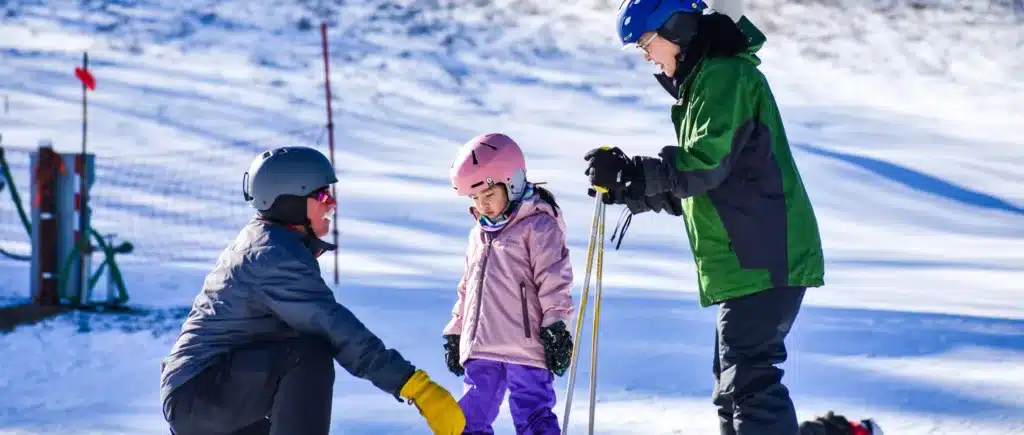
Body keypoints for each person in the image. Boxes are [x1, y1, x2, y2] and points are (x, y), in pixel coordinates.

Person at [582, 2, 884, 435]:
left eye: (647, 43)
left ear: (677, 28)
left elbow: (704, 164)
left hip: (762, 256)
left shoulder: (725, 77)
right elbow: (702, 188)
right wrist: (633, 188)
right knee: (735, 388)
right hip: (746, 261)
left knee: (748, 385)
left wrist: (637, 171)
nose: (646, 56)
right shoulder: (705, 83)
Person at [158, 146, 466, 435]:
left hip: (210, 392)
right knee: (309, 354)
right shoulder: (272, 256)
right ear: (288, 202)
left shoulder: (273, 243)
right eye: (321, 194)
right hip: (200, 392)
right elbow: (333, 326)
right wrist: (415, 386)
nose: (332, 203)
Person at [442, 132, 576, 435]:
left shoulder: (539, 226)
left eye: (488, 196)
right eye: (475, 198)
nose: (482, 206)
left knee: (532, 415)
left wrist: (557, 325)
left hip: (526, 347)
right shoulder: (478, 233)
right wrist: (456, 330)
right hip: (482, 347)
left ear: (512, 182)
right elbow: (468, 289)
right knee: (466, 421)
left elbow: (555, 282)